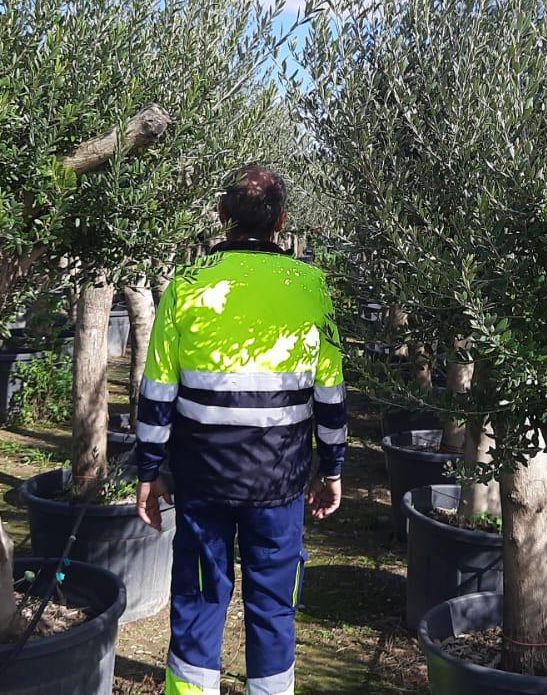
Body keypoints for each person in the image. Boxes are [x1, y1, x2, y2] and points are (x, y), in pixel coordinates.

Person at [134, 164, 346, 695]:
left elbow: (157, 389)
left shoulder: (184, 285)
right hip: (280, 483)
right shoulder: (311, 286)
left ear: (223, 215)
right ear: (282, 221)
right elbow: (331, 393)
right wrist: (334, 466)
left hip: (202, 481)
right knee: (274, 607)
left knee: (199, 599)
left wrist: (149, 470)